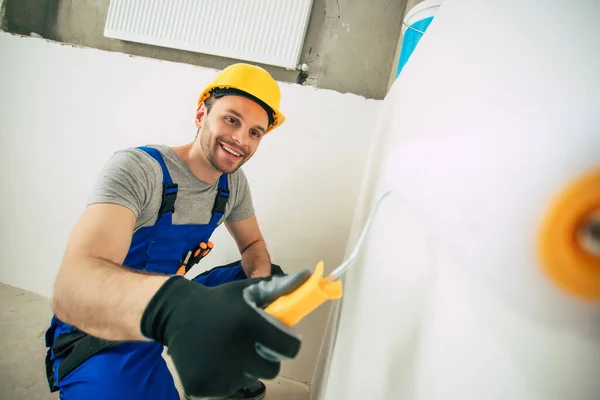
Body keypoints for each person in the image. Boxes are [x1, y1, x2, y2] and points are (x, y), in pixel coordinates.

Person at [44, 63, 311, 400]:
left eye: (255, 132)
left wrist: (256, 294)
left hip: (173, 303)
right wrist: (175, 305)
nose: (241, 140)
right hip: (101, 325)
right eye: (232, 120)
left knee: (271, 284)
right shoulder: (139, 169)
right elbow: (80, 276)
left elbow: (253, 244)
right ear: (202, 115)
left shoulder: (231, 184)